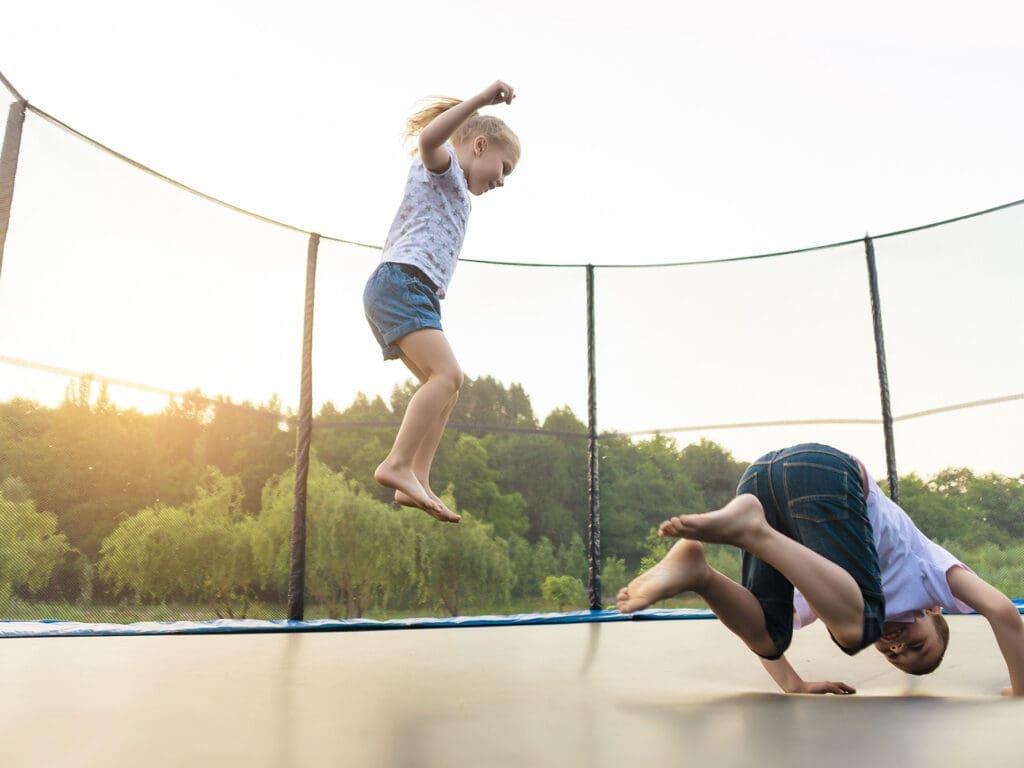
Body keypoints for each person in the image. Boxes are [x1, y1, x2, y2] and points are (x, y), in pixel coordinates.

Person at [616, 442, 1024, 696]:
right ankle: (753, 531)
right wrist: (1020, 690)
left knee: (771, 635)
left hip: (760, 481)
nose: (897, 646)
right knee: (857, 630)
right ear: (934, 612)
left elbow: (762, 635)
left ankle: (696, 572)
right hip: (825, 472)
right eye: (917, 646)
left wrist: (794, 685)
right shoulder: (930, 575)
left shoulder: (829, 594)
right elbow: (1003, 611)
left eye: (894, 656)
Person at [363, 81, 520, 523]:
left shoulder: (458, 192)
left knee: (448, 386)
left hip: (414, 291)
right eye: (503, 166)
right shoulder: (444, 166)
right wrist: (483, 99)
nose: (502, 180)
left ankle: (416, 478)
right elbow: (429, 138)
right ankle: (396, 463)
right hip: (401, 282)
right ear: (480, 144)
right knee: (447, 375)